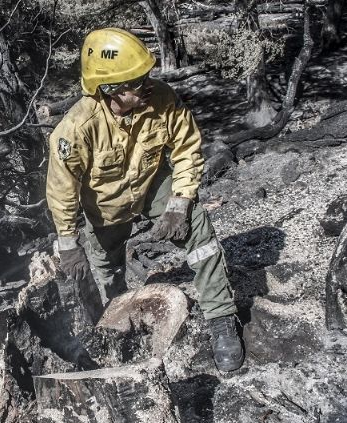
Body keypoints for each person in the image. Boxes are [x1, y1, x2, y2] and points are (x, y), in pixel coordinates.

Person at [45, 28, 243, 372]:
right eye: (137, 81)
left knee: (199, 233)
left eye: (145, 76)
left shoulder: (162, 98)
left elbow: (186, 149)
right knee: (107, 270)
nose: (148, 84)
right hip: (104, 206)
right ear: (109, 91)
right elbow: (62, 187)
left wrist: (179, 204)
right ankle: (119, 327)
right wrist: (67, 242)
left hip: (152, 185)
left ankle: (221, 317)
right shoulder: (76, 129)